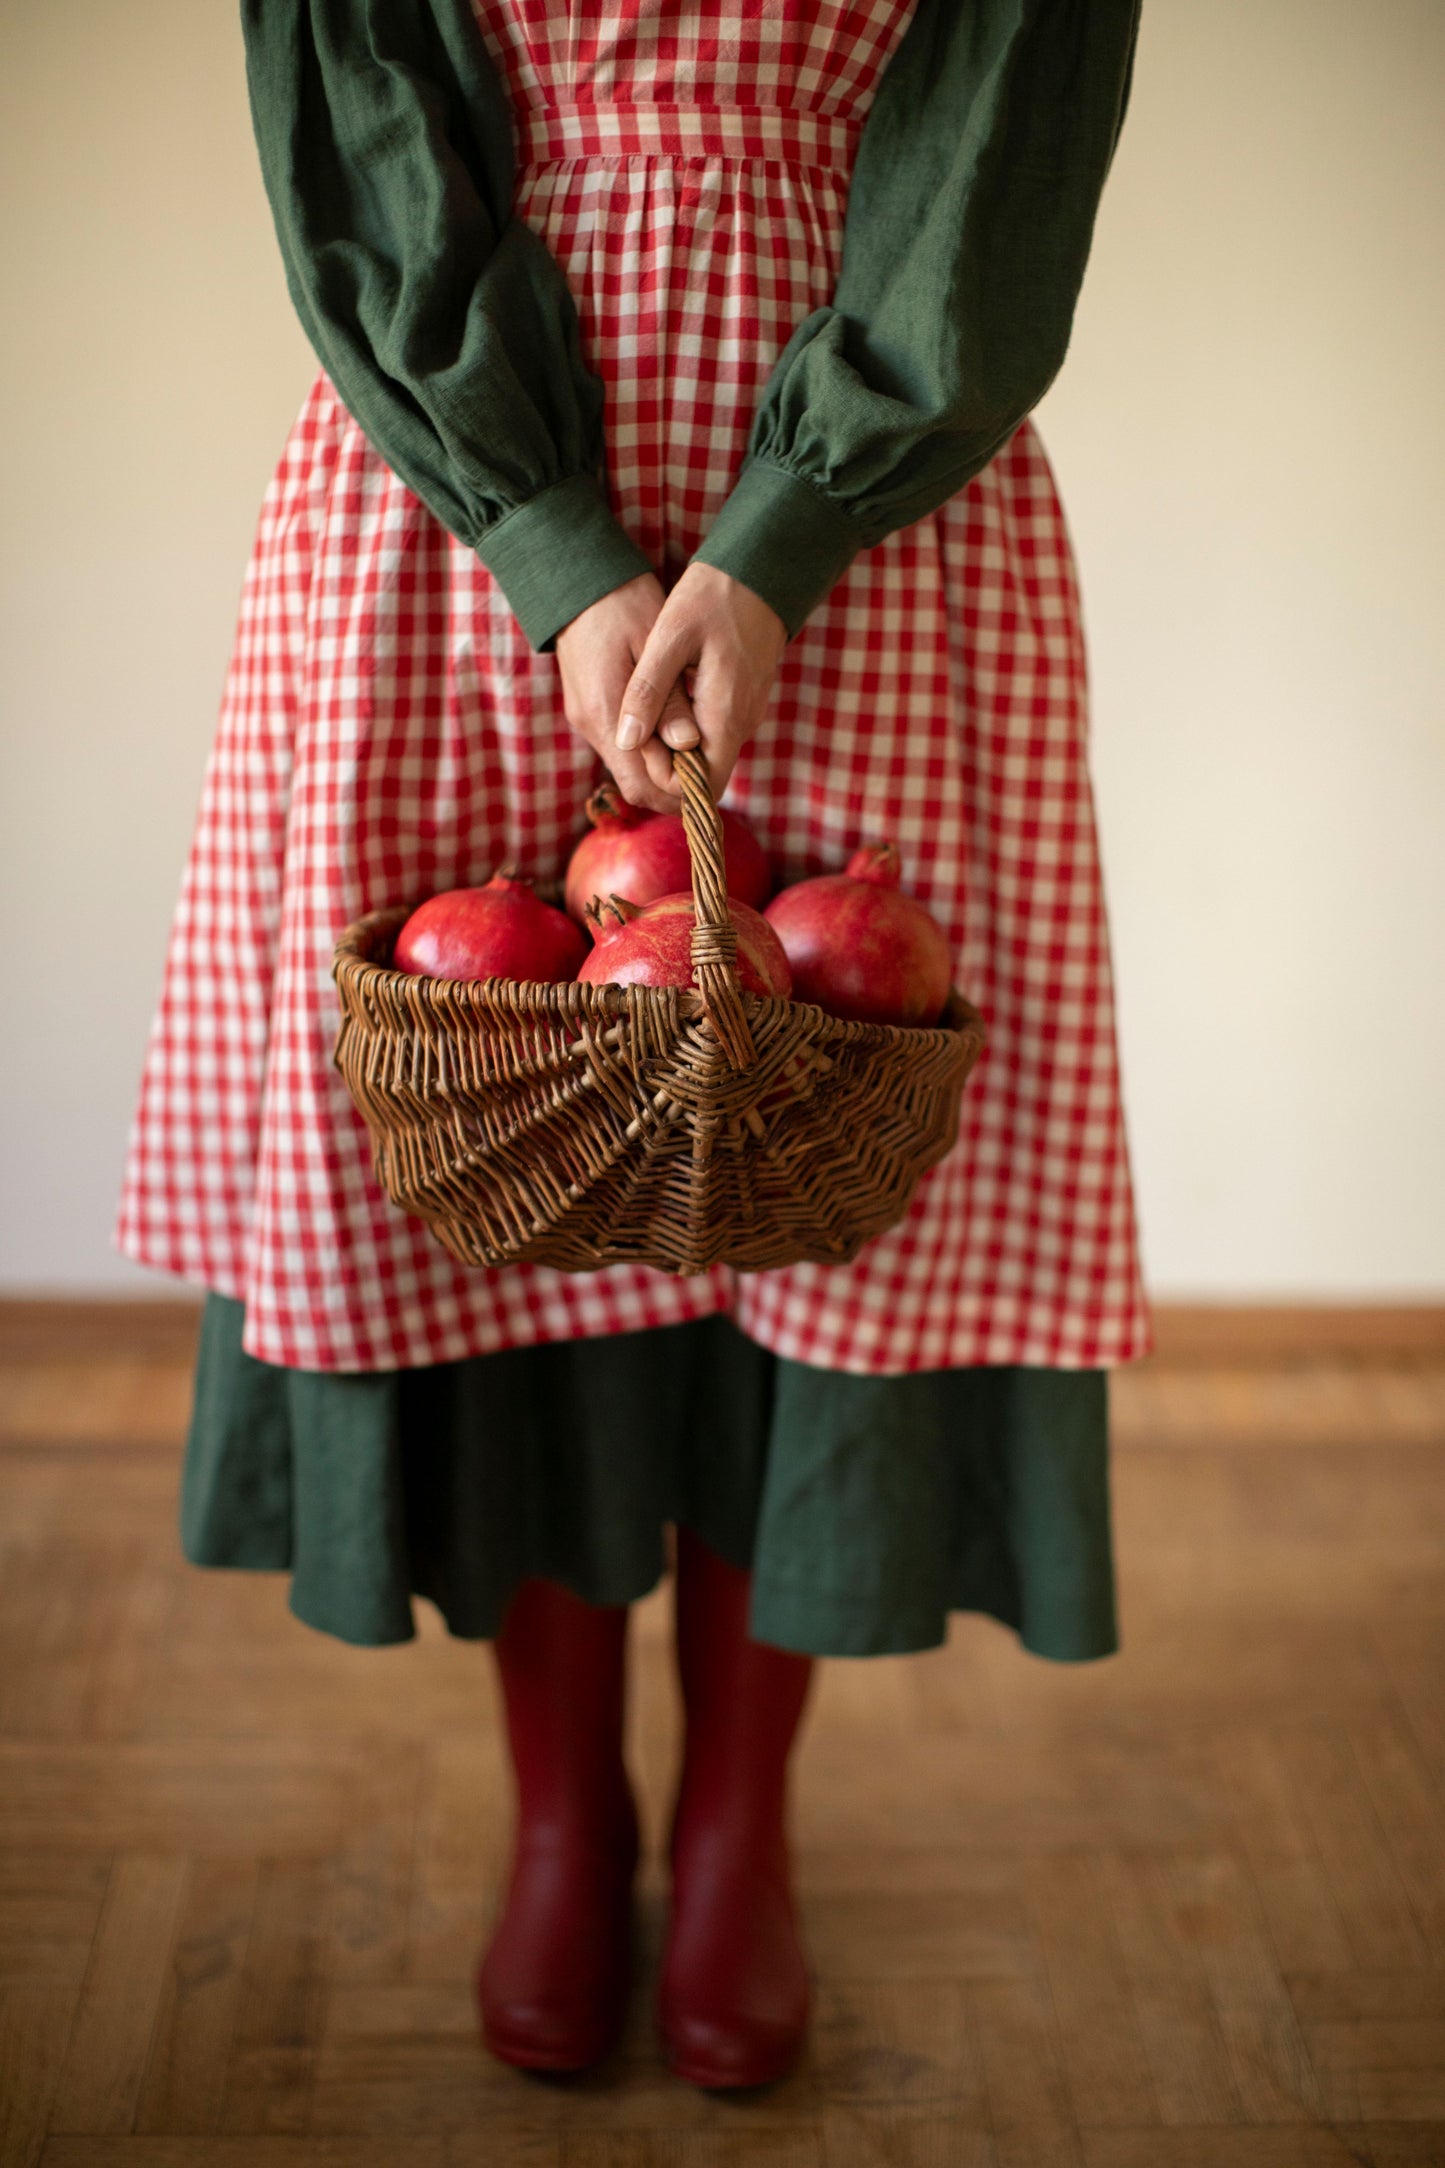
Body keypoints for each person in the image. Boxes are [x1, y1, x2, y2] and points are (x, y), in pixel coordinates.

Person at [118, 0, 1149, 2091]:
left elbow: (998, 124)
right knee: (510, 1142)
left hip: (872, 492)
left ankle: (746, 1818)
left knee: (825, 1152)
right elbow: (362, 102)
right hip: (461, 481)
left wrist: (778, 542)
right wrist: (556, 544)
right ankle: (567, 1809)